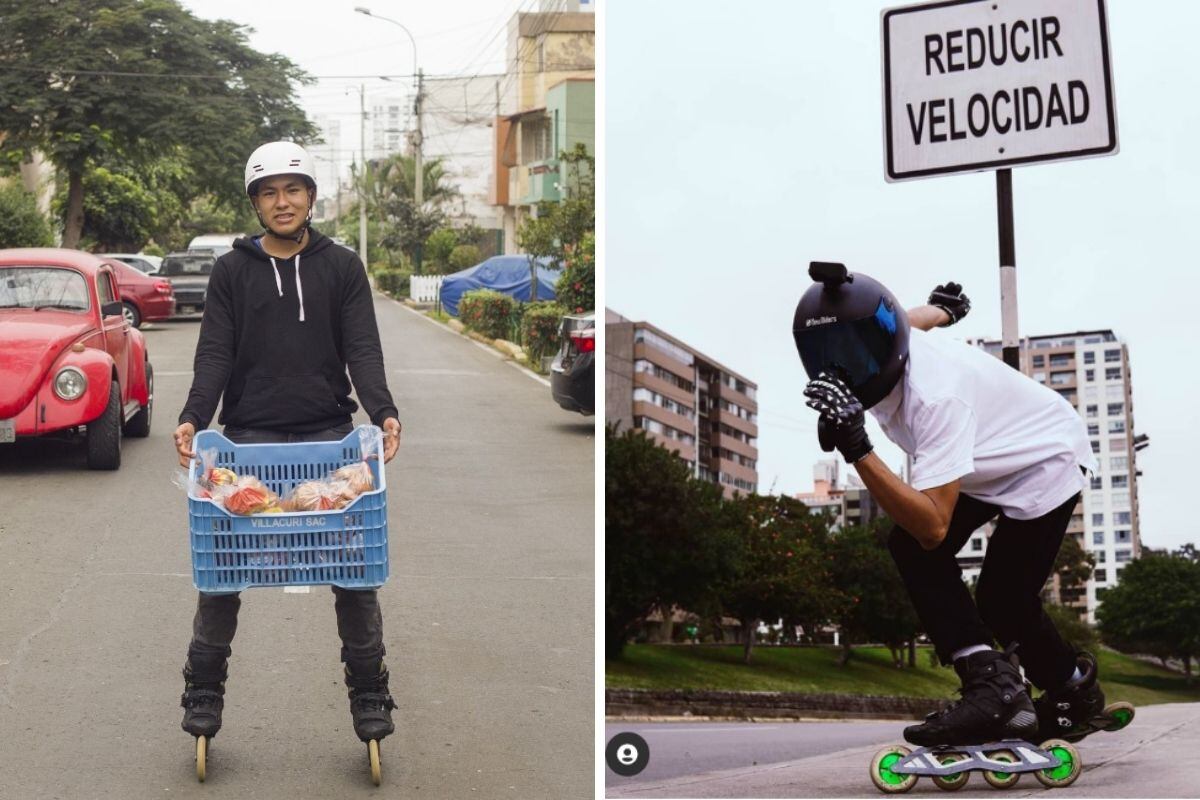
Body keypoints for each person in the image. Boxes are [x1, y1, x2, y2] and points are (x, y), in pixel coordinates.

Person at [792, 261, 1105, 746]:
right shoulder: (885, 346)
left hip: (1042, 457)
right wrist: (941, 310)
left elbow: (934, 526)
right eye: (825, 354)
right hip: (981, 458)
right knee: (909, 548)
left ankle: (1069, 691)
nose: (839, 367)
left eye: (850, 353)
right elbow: (904, 320)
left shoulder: (935, 399)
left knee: (1003, 599)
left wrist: (857, 447)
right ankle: (995, 684)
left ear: (882, 348)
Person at [172, 141, 403, 747]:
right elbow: (215, 353)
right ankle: (202, 689)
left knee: (354, 571)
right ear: (255, 203)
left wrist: (383, 411)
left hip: (329, 437)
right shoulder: (231, 270)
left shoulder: (342, 267)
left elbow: (363, 348)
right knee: (222, 570)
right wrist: (195, 416)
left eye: (292, 190)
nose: (282, 202)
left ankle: (370, 692)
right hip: (249, 438)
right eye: (269, 192)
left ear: (310, 198)